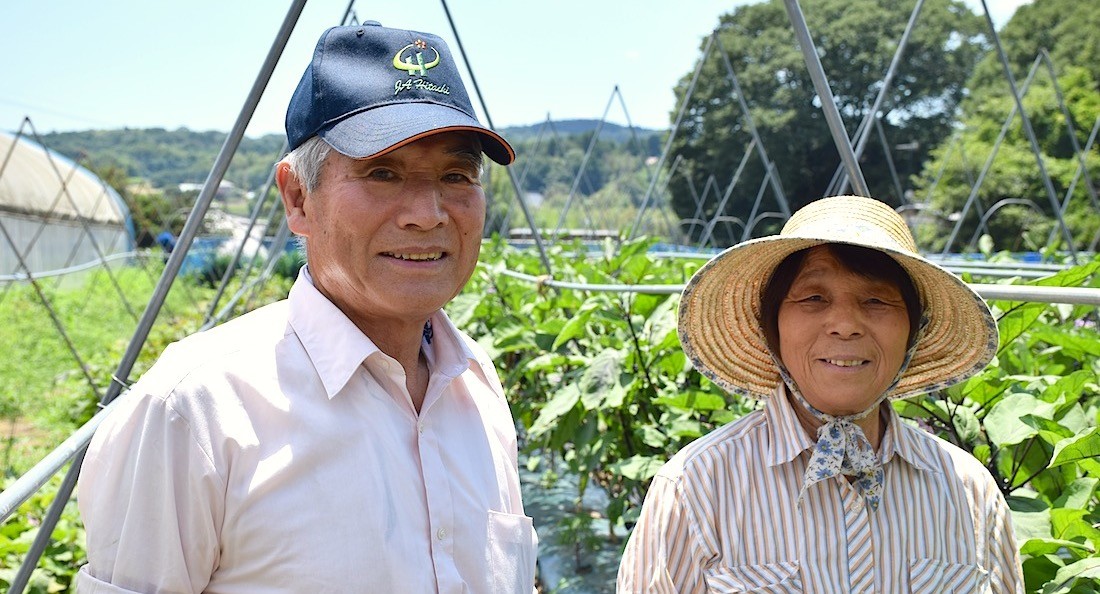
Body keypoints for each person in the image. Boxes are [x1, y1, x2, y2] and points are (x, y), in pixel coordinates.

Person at [77, 22, 537, 593]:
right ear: (298, 198)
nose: (428, 212)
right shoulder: (194, 412)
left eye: (455, 175)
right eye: (383, 173)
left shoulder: (478, 388)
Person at [617, 195, 1023, 593]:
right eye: (813, 298)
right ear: (771, 328)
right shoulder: (696, 489)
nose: (845, 324)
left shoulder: (969, 491)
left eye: (876, 299)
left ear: (912, 332)